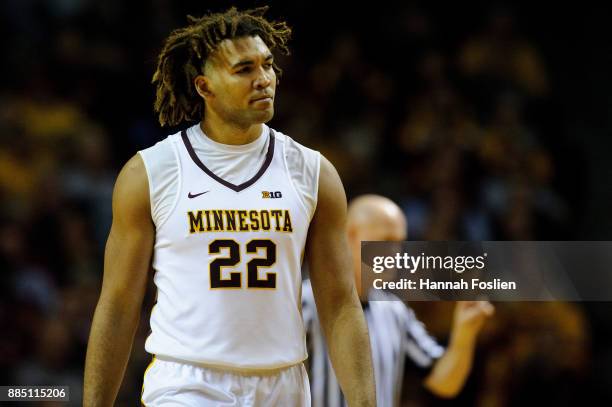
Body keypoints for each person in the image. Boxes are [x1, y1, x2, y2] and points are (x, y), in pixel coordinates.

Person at [83, 7, 375, 407]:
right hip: (187, 380)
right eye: (244, 70)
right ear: (205, 87)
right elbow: (117, 304)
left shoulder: (311, 171)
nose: (264, 80)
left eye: (268, 66)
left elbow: (340, 303)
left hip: (284, 383)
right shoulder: (152, 171)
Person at [302, 194, 494, 406]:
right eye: (386, 241)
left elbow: (444, 382)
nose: (396, 253)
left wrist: (464, 333)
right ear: (349, 236)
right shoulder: (305, 304)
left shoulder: (394, 311)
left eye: (400, 243)